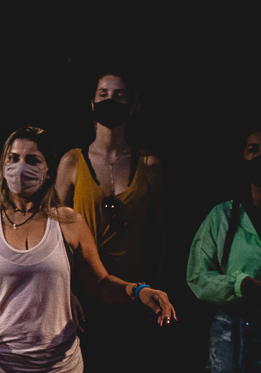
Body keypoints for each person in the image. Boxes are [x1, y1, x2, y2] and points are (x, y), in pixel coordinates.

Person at [0, 126, 176, 373]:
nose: (20, 167)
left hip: (57, 366)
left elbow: (100, 283)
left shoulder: (68, 222)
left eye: (32, 160)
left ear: (48, 170)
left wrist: (138, 291)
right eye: (13, 158)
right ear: (2, 164)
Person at [55, 71, 165, 371]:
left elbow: (163, 234)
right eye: (103, 94)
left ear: (133, 105)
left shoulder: (148, 164)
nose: (110, 100)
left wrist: (155, 288)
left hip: (132, 291)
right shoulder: (72, 161)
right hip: (82, 292)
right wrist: (64, 291)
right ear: (92, 103)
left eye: (119, 95)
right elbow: (53, 234)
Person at [186, 126, 261, 372]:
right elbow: (197, 276)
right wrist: (240, 285)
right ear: (243, 157)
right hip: (233, 332)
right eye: (253, 150)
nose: (259, 156)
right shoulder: (222, 217)